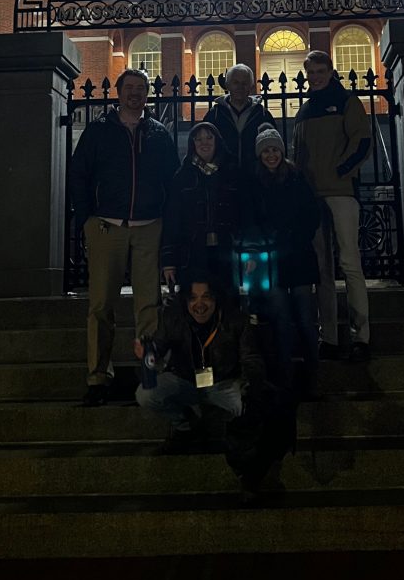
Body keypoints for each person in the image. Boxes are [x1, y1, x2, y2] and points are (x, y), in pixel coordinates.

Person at [71, 68, 180, 406]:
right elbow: (79, 173)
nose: (135, 93)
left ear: (147, 93)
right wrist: (87, 219)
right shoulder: (99, 130)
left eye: (141, 88)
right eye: (130, 87)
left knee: (149, 305)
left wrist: (167, 220)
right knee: (101, 305)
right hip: (107, 225)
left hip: (149, 225)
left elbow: (172, 181)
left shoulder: (159, 133)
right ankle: (97, 377)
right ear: (119, 92)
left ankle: (149, 375)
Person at [293, 50, 372, 362]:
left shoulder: (347, 102)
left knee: (350, 264)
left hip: (340, 192)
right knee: (322, 270)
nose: (315, 77)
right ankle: (330, 338)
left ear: (330, 71)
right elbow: (299, 154)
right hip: (313, 197)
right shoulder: (304, 110)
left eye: (320, 71)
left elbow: (362, 141)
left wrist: (341, 171)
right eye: (311, 72)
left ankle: (361, 336)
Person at [135, 276, 265, 448]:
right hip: (185, 380)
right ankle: (185, 425)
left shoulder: (236, 319)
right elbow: (159, 344)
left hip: (224, 383)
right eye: (193, 298)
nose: (199, 304)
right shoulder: (174, 318)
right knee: (145, 394)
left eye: (206, 297)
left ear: (216, 298)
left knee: (252, 403)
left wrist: (249, 388)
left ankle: (237, 434)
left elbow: (251, 358)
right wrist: (147, 350)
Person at [247, 124, 321, 396]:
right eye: (266, 151)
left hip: (297, 257)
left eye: (274, 150)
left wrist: (293, 236)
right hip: (274, 260)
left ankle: (313, 376)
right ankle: (286, 378)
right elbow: (251, 220)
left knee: (305, 320)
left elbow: (311, 214)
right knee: (281, 319)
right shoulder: (254, 183)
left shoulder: (297, 178)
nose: (271, 155)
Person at [161, 123, 241, 293]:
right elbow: (172, 220)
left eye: (209, 138)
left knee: (226, 298)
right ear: (192, 143)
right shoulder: (182, 176)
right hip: (192, 252)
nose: (204, 143)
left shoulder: (233, 172)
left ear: (217, 140)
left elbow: (244, 213)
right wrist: (169, 261)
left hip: (227, 251)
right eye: (198, 139)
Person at [206, 63, 276, 174]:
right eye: (236, 83)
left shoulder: (262, 114)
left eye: (245, 83)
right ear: (227, 85)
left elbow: (274, 146)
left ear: (251, 86)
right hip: (223, 177)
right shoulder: (215, 114)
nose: (240, 87)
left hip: (255, 177)